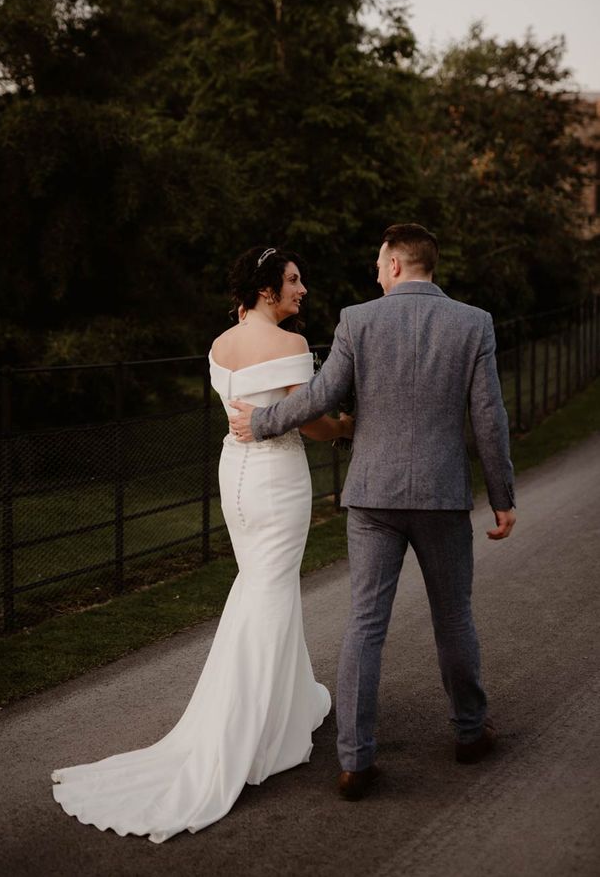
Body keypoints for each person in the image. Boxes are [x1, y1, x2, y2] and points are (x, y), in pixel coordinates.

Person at [51, 245, 352, 841]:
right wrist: (343, 426)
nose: (303, 290)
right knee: (268, 593)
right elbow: (309, 421)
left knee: (261, 587)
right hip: (275, 480)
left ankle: (285, 710)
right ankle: (239, 734)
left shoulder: (219, 345)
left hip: (234, 479)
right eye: (294, 281)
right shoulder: (291, 347)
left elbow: (243, 408)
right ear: (268, 290)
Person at [230, 223, 516, 802]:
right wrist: (503, 496)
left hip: (371, 496)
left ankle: (355, 761)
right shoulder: (473, 323)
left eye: (378, 263)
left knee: (365, 623)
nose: (375, 272)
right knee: (453, 617)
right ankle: (468, 731)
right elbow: (490, 418)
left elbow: (320, 396)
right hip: (440, 496)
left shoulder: (358, 320)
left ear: (394, 265)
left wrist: (259, 424)